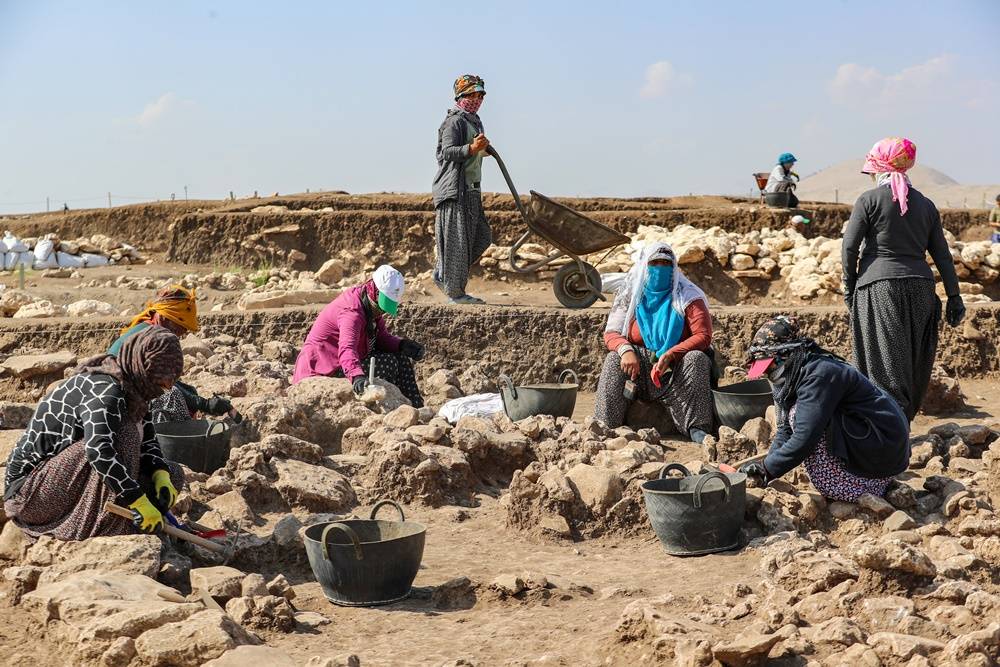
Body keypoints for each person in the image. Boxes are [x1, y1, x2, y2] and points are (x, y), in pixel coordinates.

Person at [4, 327, 186, 540]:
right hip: (31, 496)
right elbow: (99, 451)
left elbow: (148, 440)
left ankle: (136, 521)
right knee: (125, 436)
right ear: (142, 365)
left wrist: (160, 474)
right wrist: (137, 500)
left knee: (173, 473)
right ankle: (110, 532)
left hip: (68, 482)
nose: (162, 389)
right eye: (159, 381)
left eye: (167, 385)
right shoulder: (106, 390)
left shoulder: (136, 391)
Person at [842, 137, 965, 421]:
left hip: (880, 287)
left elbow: (849, 248)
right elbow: (943, 256)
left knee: (884, 364)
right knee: (914, 361)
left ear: (879, 167)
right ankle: (901, 425)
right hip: (922, 288)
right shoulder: (926, 204)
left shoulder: (869, 200)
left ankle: (888, 436)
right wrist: (954, 297)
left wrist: (850, 286)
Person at [740, 316, 910, 502]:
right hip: (870, 443)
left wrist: (766, 469)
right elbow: (784, 430)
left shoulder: (819, 374)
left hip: (882, 447)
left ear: (786, 355)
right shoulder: (794, 374)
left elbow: (805, 437)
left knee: (800, 415)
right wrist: (764, 470)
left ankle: (858, 485)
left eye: (768, 366)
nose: (766, 373)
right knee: (798, 415)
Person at [594, 243, 714, 443]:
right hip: (639, 369)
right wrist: (626, 351)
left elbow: (703, 335)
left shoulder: (688, 295)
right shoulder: (631, 294)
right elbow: (612, 333)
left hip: (675, 369)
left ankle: (698, 428)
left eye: (666, 263)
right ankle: (604, 425)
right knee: (614, 358)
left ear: (674, 267)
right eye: (654, 263)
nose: (660, 268)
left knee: (697, 358)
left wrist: (672, 353)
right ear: (644, 266)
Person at [292, 265, 426, 407]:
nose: (383, 311)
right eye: (382, 305)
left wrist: (402, 345)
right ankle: (387, 408)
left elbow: (381, 338)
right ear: (374, 291)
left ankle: (416, 408)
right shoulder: (352, 313)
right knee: (388, 363)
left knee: (401, 357)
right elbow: (347, 348)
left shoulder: (369, 305)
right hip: (321, 370)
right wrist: (357, 376)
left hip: (342, 362)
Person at [109, 284, 232, 423]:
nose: (183, 332)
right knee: (173, 397)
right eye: (180, 327)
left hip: (126, 388)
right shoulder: (153, 338)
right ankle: (168, 439)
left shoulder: (149, 328)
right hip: (119, 394)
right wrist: (204, 404)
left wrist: (199, 401)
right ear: (163, 318)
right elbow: (160, 385)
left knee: (188, 391)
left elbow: (162, 378)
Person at [431, 74, 493, 305]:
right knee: (457, 243)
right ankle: (456, 294)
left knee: (481, 237)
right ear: (460, 96)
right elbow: (445, 152)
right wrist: (471, 148)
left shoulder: (474, 121)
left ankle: (443, 274)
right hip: (456, 192)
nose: (476, 99)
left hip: (472, 191)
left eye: (480, 95)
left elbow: (472, 151)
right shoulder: (454, 122)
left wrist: (481, 149)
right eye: (471, 95)